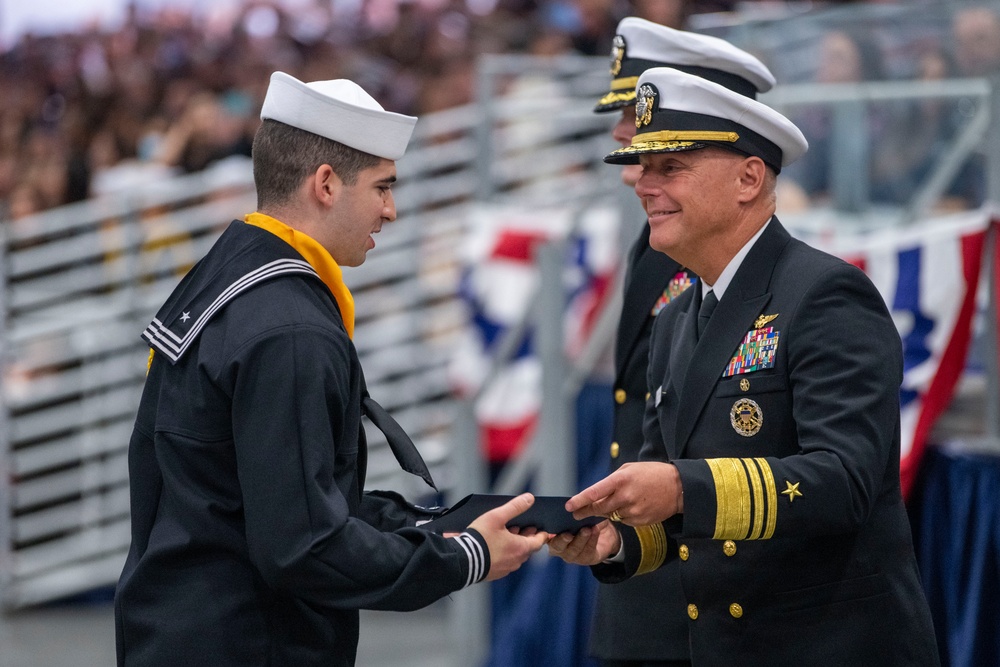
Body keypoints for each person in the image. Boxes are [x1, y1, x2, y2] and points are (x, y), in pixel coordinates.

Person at [113, 71, 550, 667]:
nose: (391, 211)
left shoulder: (230, 273)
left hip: (184, 630)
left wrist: (445, 523)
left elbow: (265, 495)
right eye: (382, 186)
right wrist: (464, 558)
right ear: (325, 184)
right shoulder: (290, 328)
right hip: (250, 642)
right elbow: (304, 545)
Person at [549, 67, 941, 666]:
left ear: (748, 178)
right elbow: (669, 485)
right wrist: (617, 541)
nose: (643, 185)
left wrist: (683, 488)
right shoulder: (680, 317)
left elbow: (844, 482)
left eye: (670, 167)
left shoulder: (826, 293)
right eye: (643, 167)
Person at [589, 17, 776, 667]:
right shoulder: (659, 242)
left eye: (640, 114)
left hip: (722, 602)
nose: (621, 134)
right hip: (656, 579)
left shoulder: (793, 285)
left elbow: (835, 478)